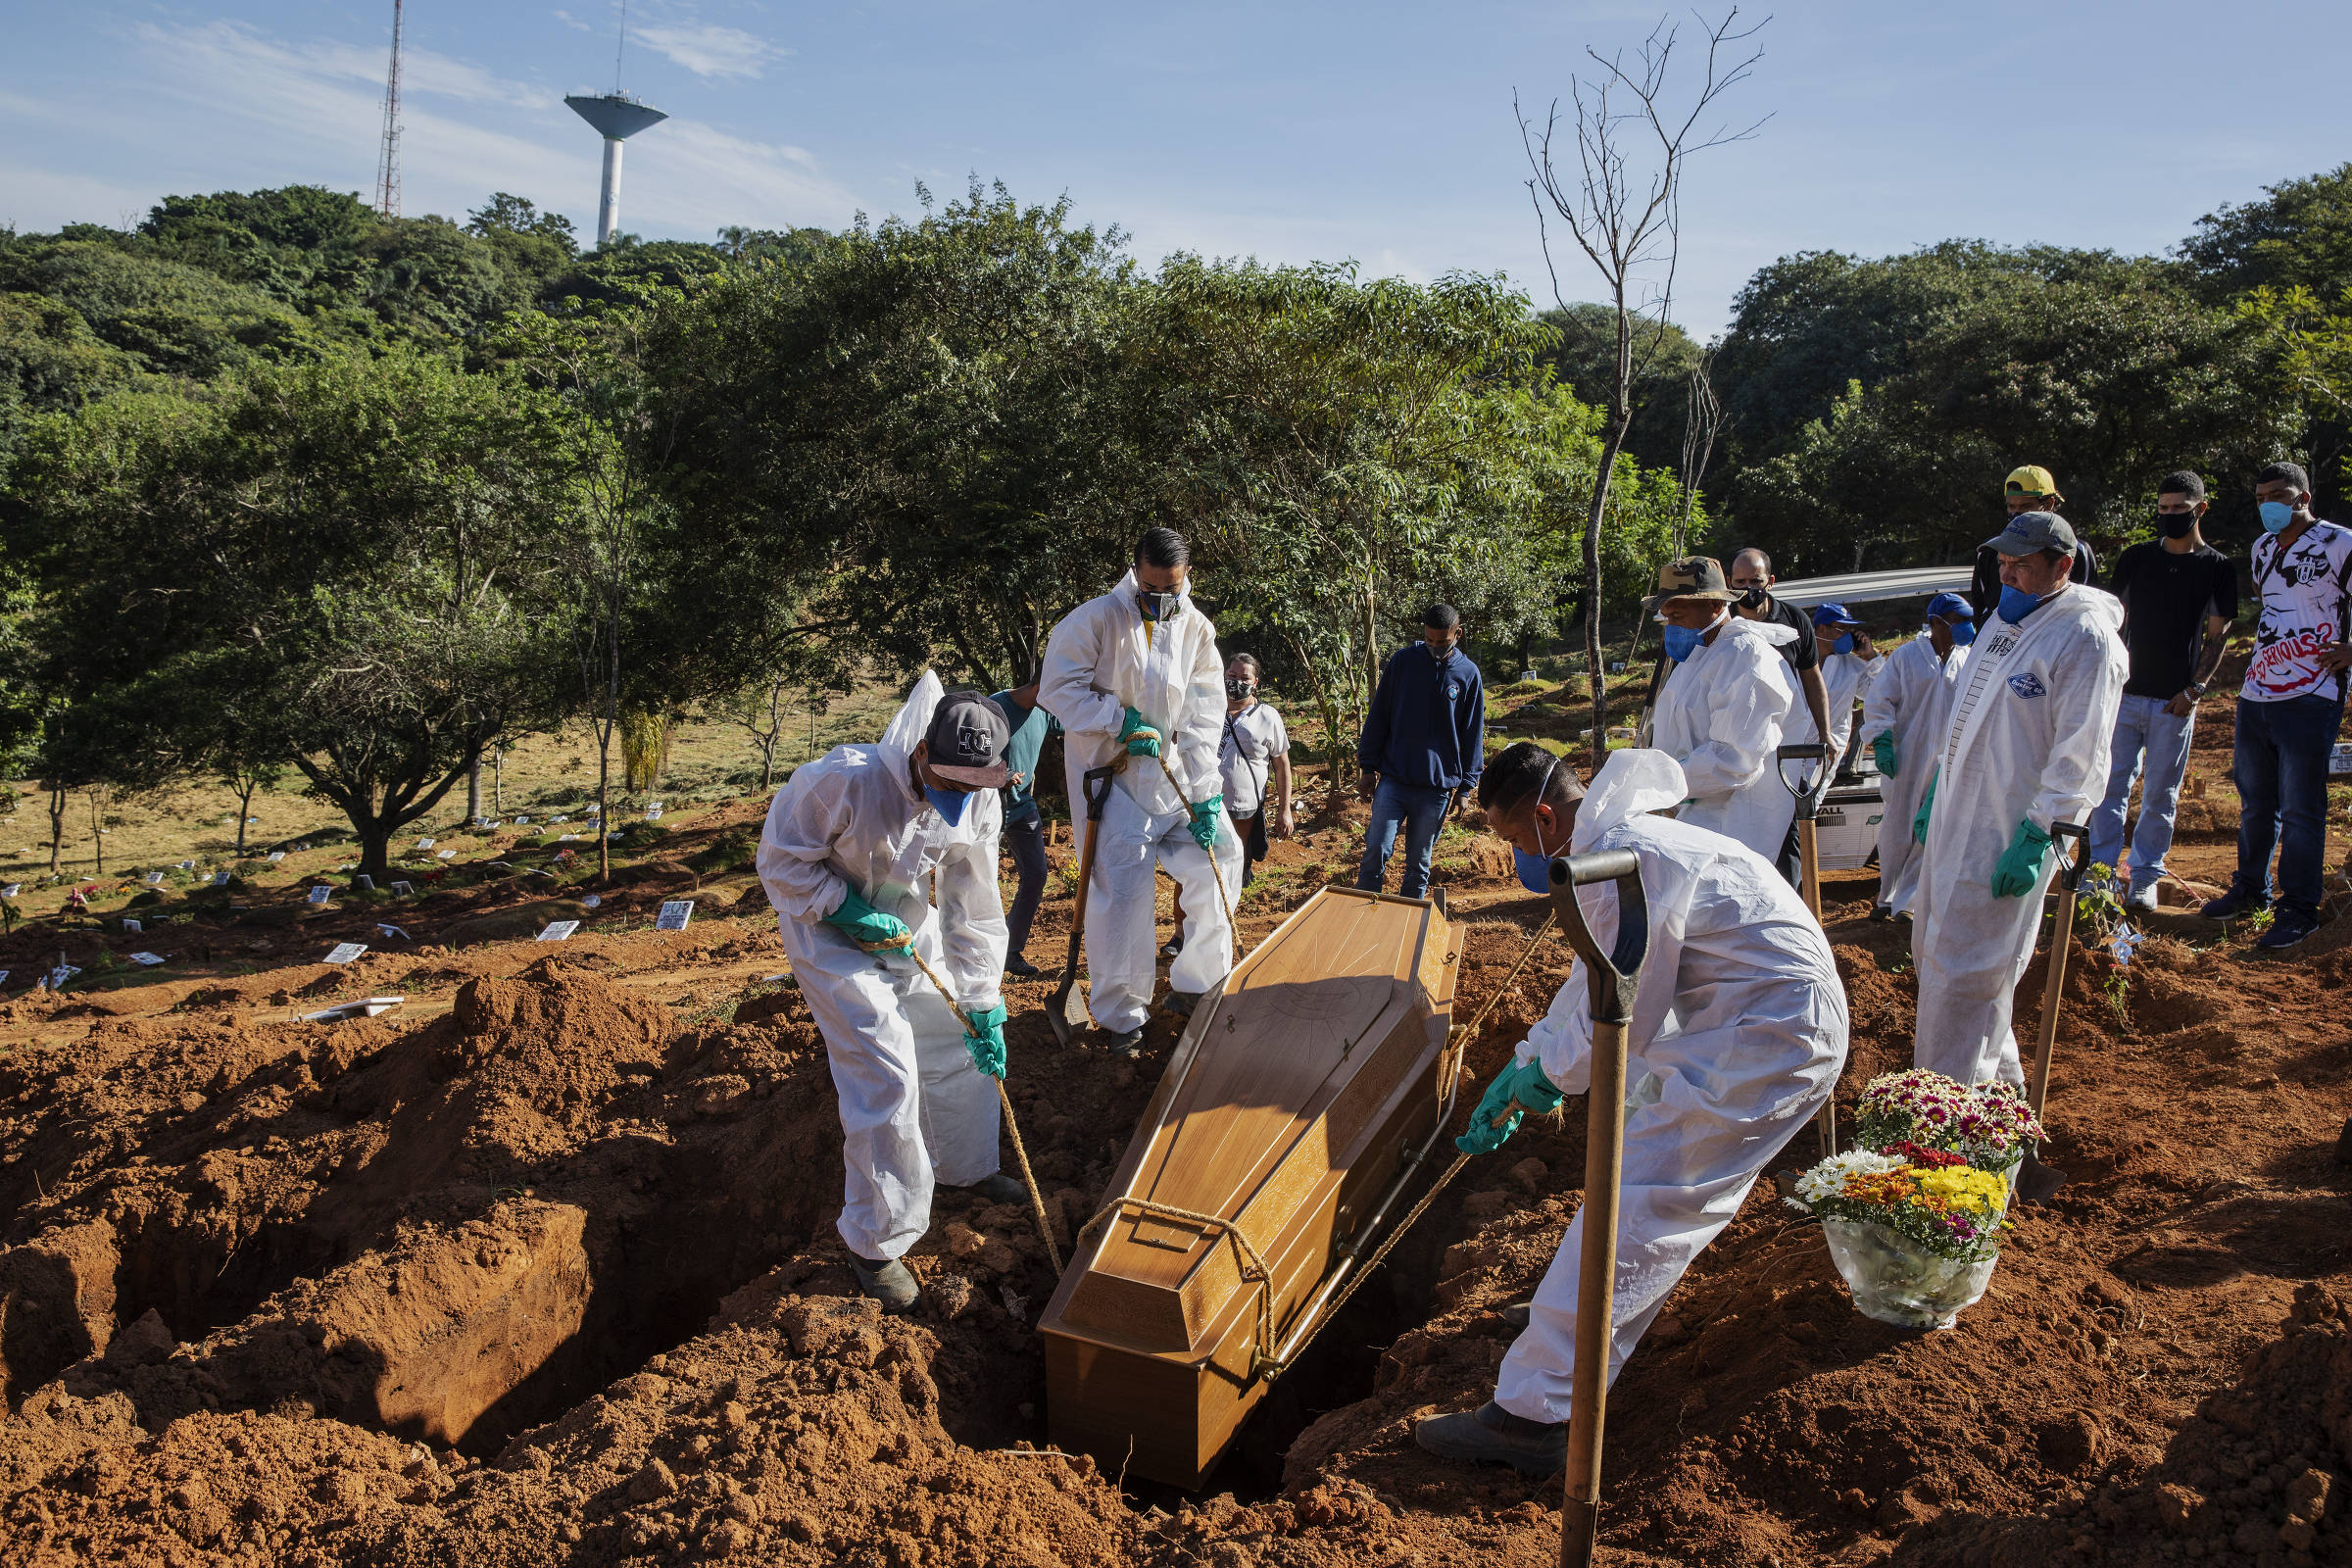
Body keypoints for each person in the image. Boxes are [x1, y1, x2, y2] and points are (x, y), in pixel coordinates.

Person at [1413, 742, 1846, 1473]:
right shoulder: (1617, 845)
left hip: (1768, 1038)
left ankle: (1534, 1415)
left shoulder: (1624, 860)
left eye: (1517, 840)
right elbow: (1591, 984)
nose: (1519, 857)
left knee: (1640, 1202)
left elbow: (1621, 1014)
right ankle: (1580, 1318)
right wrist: (1526, 1062)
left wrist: (1550, 1073)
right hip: (1741, 1022)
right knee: (1635, 1171)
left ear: (1547, 818)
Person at [756, 673, 1023, 1310]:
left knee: (951, 1034)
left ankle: (965, 1168)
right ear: (924, 754)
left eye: (974, 788)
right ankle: (876, 1242)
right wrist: (841, 907)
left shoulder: (980, 793)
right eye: (950, 786)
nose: (961, 800)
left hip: (904, 926)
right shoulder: (841, 782)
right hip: (830, 935)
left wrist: (983, 999)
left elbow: (972, 898)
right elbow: (780, 860)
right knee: (887, 1066)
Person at [1912, 512, 2126, 1088]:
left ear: (2063, 565)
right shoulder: (2001, 622)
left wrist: (2042, 834)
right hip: (1958, 816)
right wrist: (1938, 781)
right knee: (1937, 956)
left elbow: (2081, 752)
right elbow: (1964, 716)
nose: (2008, 576)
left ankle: (1945, 1117)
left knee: (1970, 974)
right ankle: (2000, 1103)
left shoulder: (2084, 638)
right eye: (2002, 563)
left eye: (2022, 566)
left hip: (2009, 830)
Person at [1039, 527, 1243, 1054]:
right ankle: (1123, 1018)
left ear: (1186, 579)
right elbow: (1058, 689)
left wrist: (1205, 794)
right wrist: (1118, 719)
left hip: (1174, 782)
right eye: (1150, 591)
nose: (1159, 603)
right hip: (1117, 784)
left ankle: (1197, 986)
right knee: (1124, 898)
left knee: (1221, 853)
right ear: (1135, 574)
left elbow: (1202, 717)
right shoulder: (1096, 620)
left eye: (1170, 592)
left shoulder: (1196, 628)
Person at [2201, 461, 2352, 949]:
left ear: (2303, 497)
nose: (2268, 503)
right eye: (2261, 494)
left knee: (2302, 807)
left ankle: (2298, 909)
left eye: (2279, 494)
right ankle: (2250, 891)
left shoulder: (2341, 544)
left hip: (2313, 693)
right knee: (2255, 802)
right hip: (2257, 690)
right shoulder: (2263, 547)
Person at [2086, 472, 2238, 914]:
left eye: (2179, 507)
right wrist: (2108, 681)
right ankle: (2100, 875)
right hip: (2125, 695)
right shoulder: (2136, 559)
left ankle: (2145, 879)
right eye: (2164, 508)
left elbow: (2218, 635)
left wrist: (2195, 690)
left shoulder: (2217, 568)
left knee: (2160, 794)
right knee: (2108, 789)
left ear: (2200, 508)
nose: (2170, 515)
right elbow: (2111, 621)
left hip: (2174, 702)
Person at [1642, 557, 1799, 863]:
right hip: (1697, 810)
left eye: (1678, 615)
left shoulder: (1746, 657)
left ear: (1716, 606)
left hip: (1736, 820)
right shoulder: (1699, 657)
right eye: (1667, 618)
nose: (1671, 627)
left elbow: (1734, 760)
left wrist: (1662, 782)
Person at [1354, 603, 1486, 901]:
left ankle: (1405, 925)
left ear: (1458, 634)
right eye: (1429, 640)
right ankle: (1361, 917)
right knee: (1376, 849)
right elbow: (1379, 716)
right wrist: (1367, 767)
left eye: (1443, 641)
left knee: (1418, 863)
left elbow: (1472, 734)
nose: (1434, 647)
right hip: (1395, 779)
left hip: (1437, 788)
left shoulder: (1468, 675)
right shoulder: (1402, 663)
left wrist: (1466, 787)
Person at [1858, 591, 1976, 921]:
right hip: (1906, 756)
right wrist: (1881, 740)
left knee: (1931, 830)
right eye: (1957, 622)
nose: (1966, 628)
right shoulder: (1906, 657)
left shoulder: (1968, 659)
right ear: (1937, 623)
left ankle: (1907, 903)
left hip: (1946, 762)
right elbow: (1881, 699)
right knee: (1897, 830)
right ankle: (1886, 897)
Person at [1726, 549, 1832, 883]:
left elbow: (1812, 679)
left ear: (1770, 582)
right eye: (1739, 582)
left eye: (1755, 581)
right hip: (1735, 743)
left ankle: (1791, 900)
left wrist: (1824, 733)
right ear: (1729, 583)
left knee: (1788, 827)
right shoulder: (1723, 619)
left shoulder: (1793, 621)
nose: (1748, 588)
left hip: (1784, 744)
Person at [989, 677, 1061, 976]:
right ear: (1041, 686)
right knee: (979, 883)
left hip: (1022, 808)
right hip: (988, 808)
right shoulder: (993, 708)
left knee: (1036, 875)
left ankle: (1010, 952)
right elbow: (969, 755)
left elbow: (1083, 726)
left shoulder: (1046, 711)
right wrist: (999, 775)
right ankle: (978, 953)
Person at [1970, 466, 2099, 626]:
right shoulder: (1989, 550)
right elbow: (1981, 610)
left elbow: (2084, 608)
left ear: (2050, 503)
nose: (2017, 514)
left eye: (2025, 506)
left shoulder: (2077, 551)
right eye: (2011, 506)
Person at [1218, 654, 1293, 886]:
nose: (1237, 682)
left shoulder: (1267, 716)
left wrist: (1285, 810)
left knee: (1234, 861)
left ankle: (1227, 912)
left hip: (1243, 807)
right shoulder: (1209, 708)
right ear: (1223, 675)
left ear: (1255, 682)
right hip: (1203, 803)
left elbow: (1282, 766)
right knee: (1203, 863)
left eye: (1245, 677)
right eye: (1232, 675)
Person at [1801, 602, 1885, 776]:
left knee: (1812, 799)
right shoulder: (1796, 660)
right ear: (1822, 628)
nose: (1848, 635)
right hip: (1792, 748)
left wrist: (1871, 657)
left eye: (1849, 630)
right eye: (1842, 629)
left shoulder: (1852, 666)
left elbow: (1879, 694)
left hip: (1828, 748)